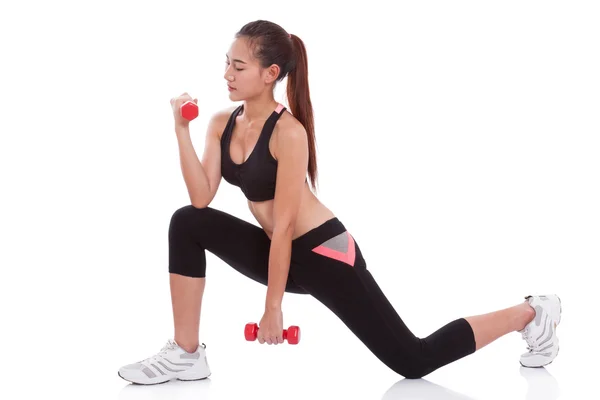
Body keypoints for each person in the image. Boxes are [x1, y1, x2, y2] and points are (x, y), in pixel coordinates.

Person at [117, 20, 562, 385]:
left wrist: (273, 308)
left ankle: (531, 312)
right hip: (281, 251)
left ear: (271, 73)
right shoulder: (222, 122)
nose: (227, 75)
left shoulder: (289, 134)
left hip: (324, 253)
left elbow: (287, 226)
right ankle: (186, 354)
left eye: (239, 67)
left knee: (412, 359)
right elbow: (201, 197)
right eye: (226, 65)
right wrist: (181, 131)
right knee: (187, 221)